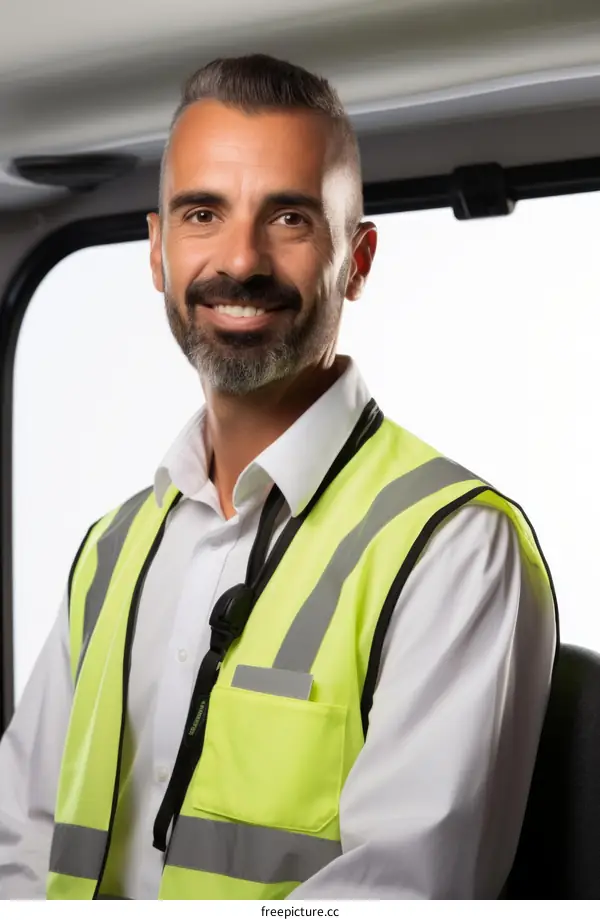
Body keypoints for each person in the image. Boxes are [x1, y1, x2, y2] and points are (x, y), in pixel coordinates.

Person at [0, 54, 556, 901]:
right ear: (157, 252)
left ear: (358, 260)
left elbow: (399, 898)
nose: (241, 260)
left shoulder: (454, 549)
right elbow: (18, 849)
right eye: (202, 213)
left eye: (289, 217)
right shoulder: (112, 552)